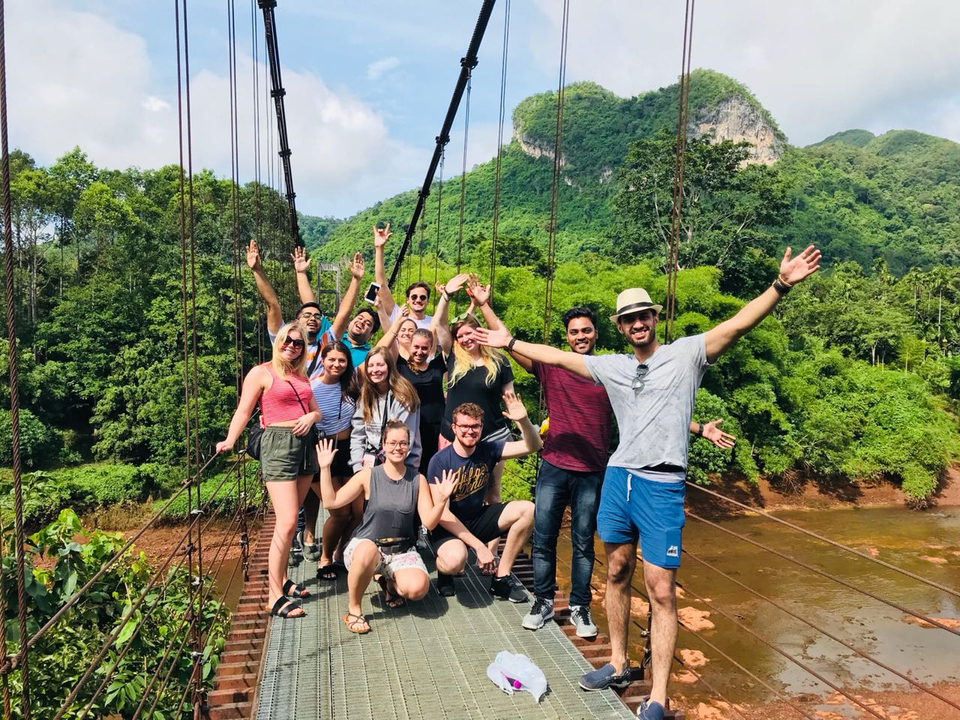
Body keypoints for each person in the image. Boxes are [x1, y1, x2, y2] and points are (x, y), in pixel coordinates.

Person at [474, 246, 820, 720]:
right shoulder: (612, 366)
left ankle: (657, 696)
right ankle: (617, 662)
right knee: (615, 572)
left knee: (660, 589)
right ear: (618, 327)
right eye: (628, 319)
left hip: (661, 486)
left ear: (655, 318)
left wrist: (780, 285)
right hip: (618, 478)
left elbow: (738, 324)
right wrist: (509, 342)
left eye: (644, 316)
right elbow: (556, 356)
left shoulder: (687, 355)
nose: (637, 324)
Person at [485, 305, 735, 638]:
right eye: (574, 332)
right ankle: (543, 601)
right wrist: (486, 307)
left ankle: (580, 606)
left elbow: (652, 408)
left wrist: (700, 428)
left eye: (586, 330)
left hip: (591, 470)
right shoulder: (552, 368)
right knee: (543, 539)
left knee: (584, 543)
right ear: (567, 337)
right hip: (554, 466)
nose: (580, 337)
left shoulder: (610, 371)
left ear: (597, 333)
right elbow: (511, 344)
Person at [215, 321, 321, 619]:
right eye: (287, 340)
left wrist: (311, 417)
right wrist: (230, 439)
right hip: (278, 446)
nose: (291, 345)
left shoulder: (301, 376)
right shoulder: (261, 373)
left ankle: (283, 578)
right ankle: (274, 595)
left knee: (292, 518)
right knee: (287, 522)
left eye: (298, 343)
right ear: (278, 341)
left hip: (305, 446)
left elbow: (316, 410)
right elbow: (244, 410)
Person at [316, 423, 457, 634]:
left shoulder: (417, 480)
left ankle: (389, 583)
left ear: (409, 446)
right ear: (383, 444)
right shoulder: (368, 476)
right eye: (392, 443)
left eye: (403, 443)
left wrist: (442, 500)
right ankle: (354, 608)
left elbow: (429, 522)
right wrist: (325, 468)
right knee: (368, 550)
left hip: (400, 550)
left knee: (417, 589)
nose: (397, 448)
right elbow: (330, 501)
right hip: (367, 547)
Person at [427, 393, 543, 601]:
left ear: (481, 428)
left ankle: (501, 577)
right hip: (448, 526)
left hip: (477, 518)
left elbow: (533, 446)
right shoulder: (440, 461)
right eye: (464, 426)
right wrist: (480, 547)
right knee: (455, 561)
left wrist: (523, 421)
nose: (470, 431)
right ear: (454, 428)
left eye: (475, 426)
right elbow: (442, 514)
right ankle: (445, 574)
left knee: (528, 509)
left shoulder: (489, 449)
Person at [304, 341, 361, 580]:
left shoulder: (353, 385)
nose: (337, 364)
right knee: (339, 512)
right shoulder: (310, 387)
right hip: (321, 451)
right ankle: (325, 557)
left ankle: (340, 553)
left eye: (342, 360)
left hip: (348, 450)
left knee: (358, 511)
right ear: (322, 361)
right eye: (332, 359)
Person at [292, 246, 379, 368]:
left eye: (368, 323)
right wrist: (301, 273)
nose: (362, 322)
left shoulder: (370, 355)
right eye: (359, 318)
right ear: (351, 321)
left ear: (371, 334)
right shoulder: (330, 335)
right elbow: (311, 308)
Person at [350, 347, 422, 474]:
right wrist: (358, 468)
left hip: (401, 464)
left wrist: (384, 473)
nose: (375, 370)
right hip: (369, 464)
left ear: (389, 366)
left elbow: (405, 440)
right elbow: (358, 434)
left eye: (380, 365)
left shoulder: (403, 396)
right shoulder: (365, 395)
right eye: (370, 366)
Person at [373, 222, 433, 330]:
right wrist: (379, 248)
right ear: (407, 300)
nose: (418, 300)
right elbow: (381, 285)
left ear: (428, 300)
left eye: (423, 297)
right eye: (414, 297)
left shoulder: (434, 323)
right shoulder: (397, 315)